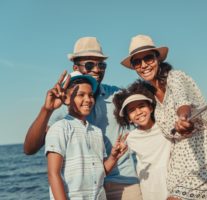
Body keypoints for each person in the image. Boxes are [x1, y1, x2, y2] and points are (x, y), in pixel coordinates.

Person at [23, 37, 142, 200]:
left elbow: (147, 112)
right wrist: (47, 110)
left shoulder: (118, 96)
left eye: (101, 65)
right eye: (89, 64)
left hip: (123, 184)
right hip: (82, 189)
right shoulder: (63, 112)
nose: (97, 69)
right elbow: (30, 149)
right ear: (75, 67)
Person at [120, 34, 207, 200]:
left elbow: (182, 103)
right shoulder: (150, 97)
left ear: (158, 58)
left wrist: (183, 119)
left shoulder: (175, 77)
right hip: (180, 159)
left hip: (205, 150)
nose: (144, 65)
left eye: (148, 58)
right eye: (137, 62)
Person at [45, 74, 128, 200]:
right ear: (66, 98)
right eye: (81, 95)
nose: (88, 99)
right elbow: (53, 174)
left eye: (90, 95)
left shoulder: (97, 132)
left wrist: (113, 157)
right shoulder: (60, 128)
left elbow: (99, 173)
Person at [113, 80, 171, 200]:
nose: (138, 112)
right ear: (128, 118)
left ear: (150, 107)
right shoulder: (130, 138)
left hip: (172, 184)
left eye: (141, 106)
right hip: (149, 188)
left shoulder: (165, 126)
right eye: (132, 110)